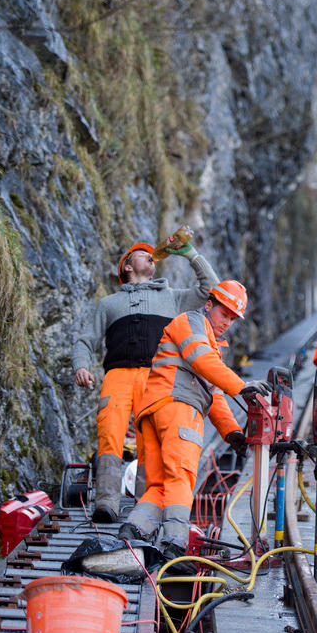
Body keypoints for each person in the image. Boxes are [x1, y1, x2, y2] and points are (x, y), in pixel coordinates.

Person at [119, 280, 271, 561]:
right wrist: (240, 385)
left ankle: (134, 529)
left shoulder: (207, 341)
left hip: (154, 411)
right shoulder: (191, 322)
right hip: (178, 409)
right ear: (209, 305)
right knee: (181, 477)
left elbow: (212, 392)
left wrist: (231, 432)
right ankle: (175, 543)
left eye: (232, 318)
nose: (227, 322)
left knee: (159, 485)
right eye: (224, 314)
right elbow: (202, 362)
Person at [71, 239, 218, 522]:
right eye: (142, 255)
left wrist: (190, 254)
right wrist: (81, 366)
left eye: (153, 255)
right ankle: (106, 504)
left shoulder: (173, 298)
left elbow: (209, 289)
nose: (151, 257)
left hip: (157, 378)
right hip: (117, 377)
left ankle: (143, 506)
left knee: (149, 443)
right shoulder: (108, 304)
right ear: (127, 266)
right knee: (109, 435)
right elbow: (85, 341)